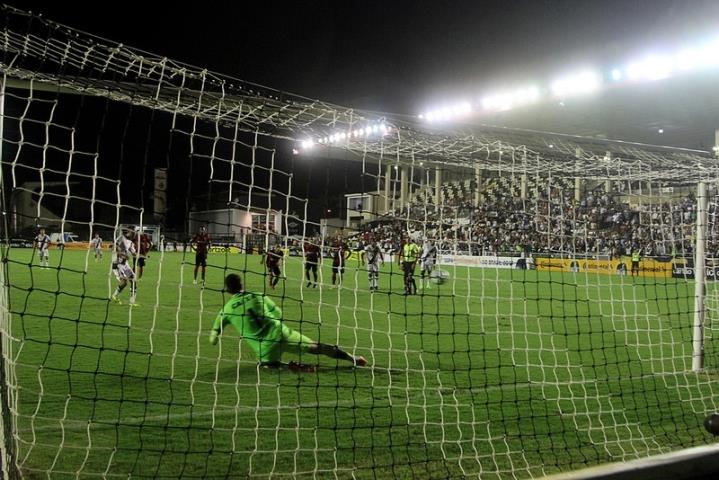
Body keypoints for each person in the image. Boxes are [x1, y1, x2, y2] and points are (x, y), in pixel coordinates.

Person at [209, 273, 367, 371]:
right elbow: (278, 312)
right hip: (281, 332)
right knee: (316, 347)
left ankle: (293, 367)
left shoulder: (226, 309)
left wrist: (214, 338)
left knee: (268, 366)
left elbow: (214, 336)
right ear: (242, 284)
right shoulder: (257, 295)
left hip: (265, 347)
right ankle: (354, 359)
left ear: (227, 289)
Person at [111, 229, 138, 305]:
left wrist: (141, 254)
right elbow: (115, 249)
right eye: (131, 232)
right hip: (118, 264)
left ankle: (117, 296)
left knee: (130, 281)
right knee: (127, 281)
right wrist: (124, 255)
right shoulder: (122, 240)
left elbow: (133, 253)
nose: (133, 234)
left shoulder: (131, 243)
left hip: (124, 264)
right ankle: (130, 301)